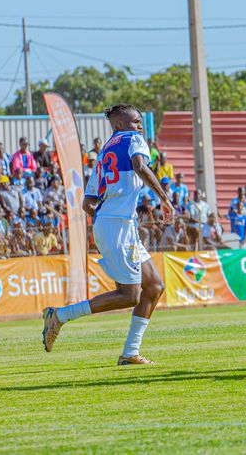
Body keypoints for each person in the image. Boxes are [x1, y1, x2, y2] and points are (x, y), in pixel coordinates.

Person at [41, 104, 175, 366]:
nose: (140, 126)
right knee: (129, 295)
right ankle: (60, 315)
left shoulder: (104, 153)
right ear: (121, 124)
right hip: (118, 226)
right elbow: (139, 165)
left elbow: (87, 203)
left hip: (116, 225)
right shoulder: (135, 140)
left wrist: (105, 218)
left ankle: (130, 353)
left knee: (155, 286)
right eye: (135, 121)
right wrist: (164, 198)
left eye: (140, 122)